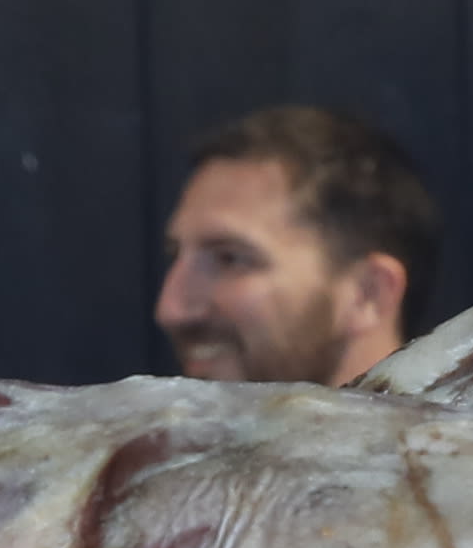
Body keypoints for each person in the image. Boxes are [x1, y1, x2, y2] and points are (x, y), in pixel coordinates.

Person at [154, 105, 436, 388]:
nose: (171, 310)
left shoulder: (467, 432)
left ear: (368, 293)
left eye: (229, 259)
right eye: (175, 255)